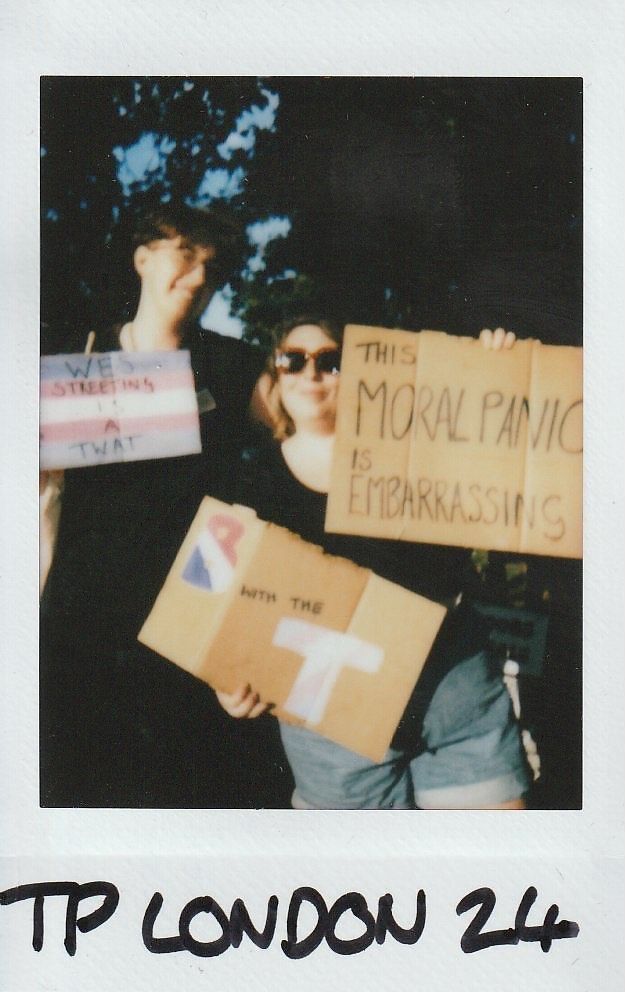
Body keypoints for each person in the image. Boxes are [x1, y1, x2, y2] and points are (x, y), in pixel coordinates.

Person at [217, 316, 530, 809]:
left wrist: (495, 368)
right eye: (293, 360)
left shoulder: (417, 449)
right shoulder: (250, 479)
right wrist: (231, 677)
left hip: (452, 690)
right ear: (275, 376)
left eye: (331, 360)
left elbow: (499, 449)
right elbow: (229, 599)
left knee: (492, 869)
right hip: (331, 716)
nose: (311, 373)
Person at [40, 203, 290, 808]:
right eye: (186, 254)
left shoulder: (234, 369)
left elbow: (313, 429)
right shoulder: (77, 360)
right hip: (79, 636)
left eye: (214, 266)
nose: (200, 276)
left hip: (192, 637)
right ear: (142, 259)